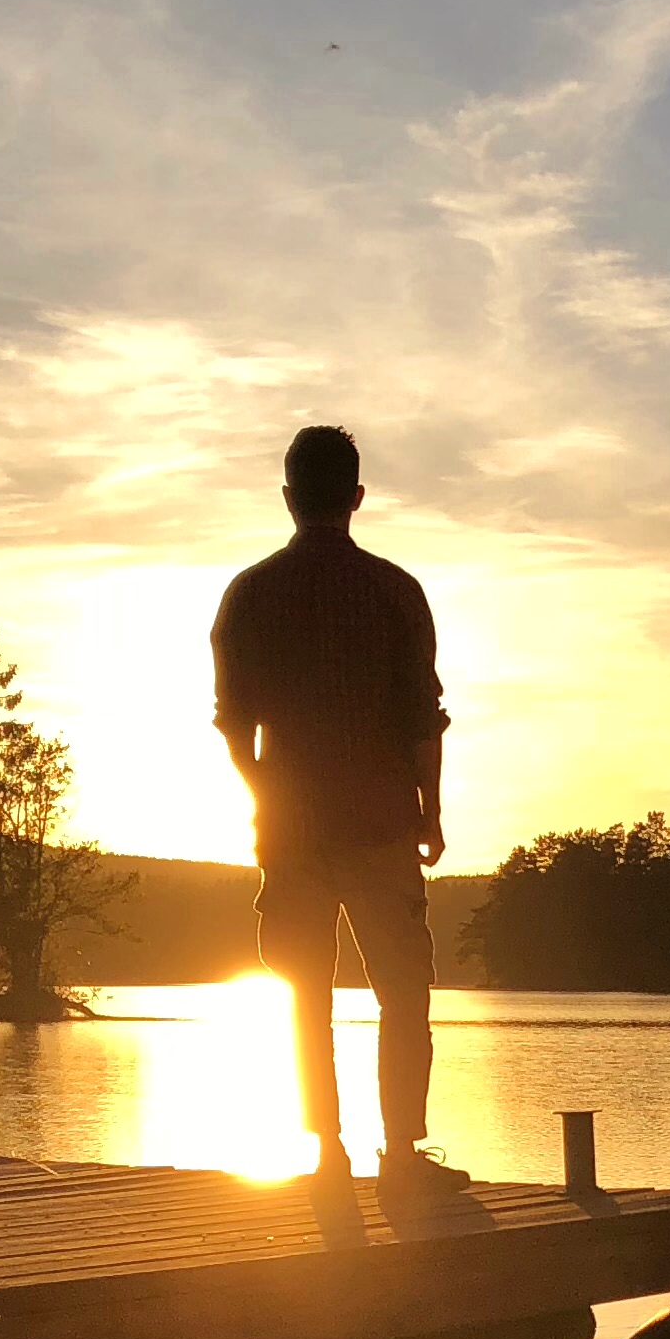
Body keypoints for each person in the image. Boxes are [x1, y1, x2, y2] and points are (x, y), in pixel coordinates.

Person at [210, 427, 469, 1203]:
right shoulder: (396, 592)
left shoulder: (248, 595)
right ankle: (402, 1154)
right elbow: (423, 720)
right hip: (383, 822)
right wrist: (431, 813)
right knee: (403, 991)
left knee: (303, 991)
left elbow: (232, 722)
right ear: (357, 498)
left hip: (290, 832)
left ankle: (327, 1153)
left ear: (289, 498)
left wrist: (264, 793)